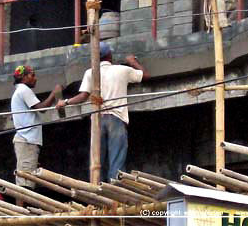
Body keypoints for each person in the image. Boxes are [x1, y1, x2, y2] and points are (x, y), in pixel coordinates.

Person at [56, 42, 150, 182]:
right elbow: (146, 76)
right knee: (116, 162)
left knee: (97, 162)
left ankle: (97, 190)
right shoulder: (122, 70)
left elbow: (82, 97)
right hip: (116, 119)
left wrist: (65, 102)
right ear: (110, 56)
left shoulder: (90, 72)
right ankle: (115, 192)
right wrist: (133, 62)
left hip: (97, 121)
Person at [11, 65, 62, 204]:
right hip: (27, 140)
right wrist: (54, 93)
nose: (35, 78)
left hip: (28, 141)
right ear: (23, 77)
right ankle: (21, 214)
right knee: (24, 182)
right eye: (32, 75)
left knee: (27, 180)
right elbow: (42, 109)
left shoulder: (20, 91)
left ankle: (23, 211)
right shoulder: (23, 89)